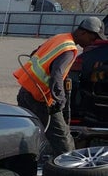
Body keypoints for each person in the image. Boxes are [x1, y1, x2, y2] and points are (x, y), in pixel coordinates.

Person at [13, 16, 106, 156]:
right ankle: (71, 170)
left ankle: (23, 161)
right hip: (42, 98)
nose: (93, 42)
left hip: (26, 91)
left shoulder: (60, 38)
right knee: (63, 139)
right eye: (92, 39)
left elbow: (35, 54)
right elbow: (56, 74)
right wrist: (60, 99)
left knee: (28, 130)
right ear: (83, 33)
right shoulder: (69, 49)